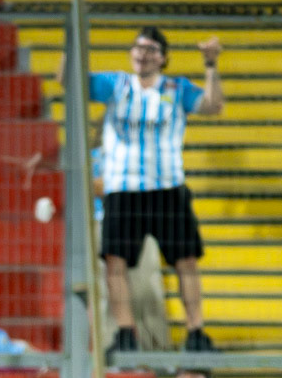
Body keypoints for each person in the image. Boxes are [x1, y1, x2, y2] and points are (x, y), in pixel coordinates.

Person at [68, 27, 225, 356]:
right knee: (115, 263)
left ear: (164, 58)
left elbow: (213, 106)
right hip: (123, 189)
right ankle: (126, 333)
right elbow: (69, 80)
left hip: (168, 187)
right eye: (138, 48)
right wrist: (73, 41)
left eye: (152, 49)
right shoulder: (116, 84)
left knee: (186, 261)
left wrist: (210, 65)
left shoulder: (177, 88)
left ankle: (196, 331)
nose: (143, 54)